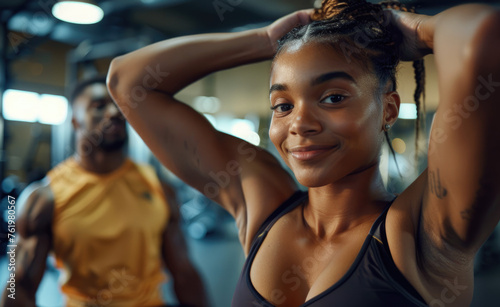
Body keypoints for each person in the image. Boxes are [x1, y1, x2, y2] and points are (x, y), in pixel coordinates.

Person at [106, 0, 500, 305]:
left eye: (332, 97)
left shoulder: (420, 231)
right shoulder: (262, 205)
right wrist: (266, 40)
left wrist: (414, 28)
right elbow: (128, 81)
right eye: (283, 105)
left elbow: (481, 34)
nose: (299, 123)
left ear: (388, 108)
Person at [1, 77, 208, 307]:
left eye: (120, 107)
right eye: (99, 106)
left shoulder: (158, 187)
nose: (114, 112)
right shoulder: (42, 198)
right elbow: (19, 286)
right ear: (74, 121)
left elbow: (184, 272)